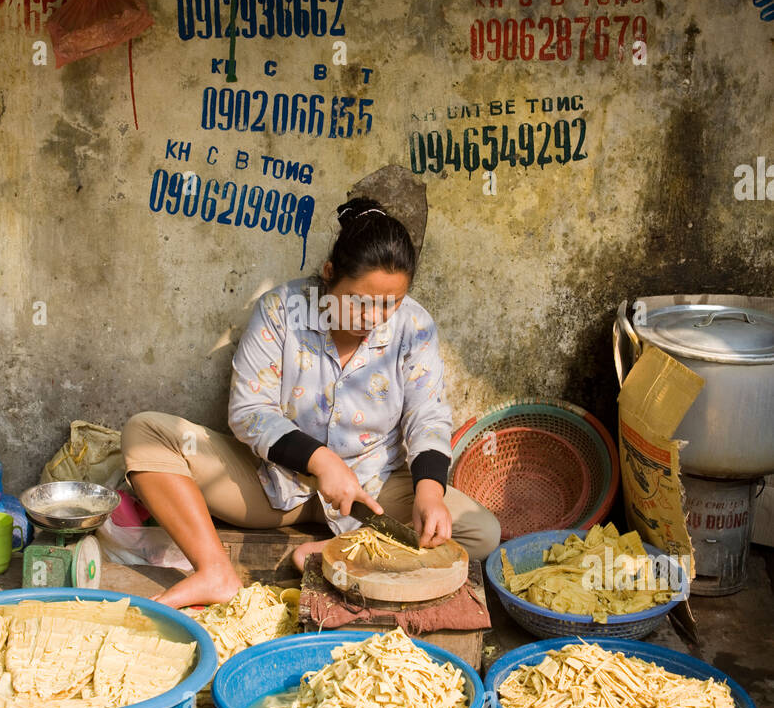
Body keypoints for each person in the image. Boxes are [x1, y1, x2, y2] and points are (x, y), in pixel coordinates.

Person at [121, 196, 500, 607]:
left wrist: (429, 491)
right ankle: (214, 572)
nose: (373, 319)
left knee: (480, 532)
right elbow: (250, 411)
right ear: (330, 275)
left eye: (389, 305)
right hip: (275, 487)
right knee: (145, 434)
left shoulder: (415, 325)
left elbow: (428, 414)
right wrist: (323, 463)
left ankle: (334, 554)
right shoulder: (282, 310)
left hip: (372, 493)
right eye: (359, 301)